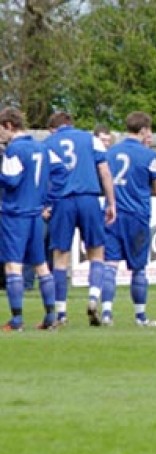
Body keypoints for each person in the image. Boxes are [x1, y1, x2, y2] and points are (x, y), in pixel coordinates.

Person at [44, 112, 117, 327]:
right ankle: (94, 297)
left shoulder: (48, 143)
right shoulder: (91, 139)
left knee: (60, 257)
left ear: (53, 128)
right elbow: (104, 172)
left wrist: (45, 204)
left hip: (62, 201)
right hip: (88, 198)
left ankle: (61, 313)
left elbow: (45, 178)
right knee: (96, 251)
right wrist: (111, 202)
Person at [0, 107, 67, 331]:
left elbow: (11, 180)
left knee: (13, 265)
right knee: (41, 265)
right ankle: (50, 316)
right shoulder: (42, 147)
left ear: (9, 125)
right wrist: (49, 200)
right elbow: (61, 171)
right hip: (36, 215)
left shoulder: (14, 150)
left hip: (15, 214)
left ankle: (16, 320)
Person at [99, 112, 156, 327]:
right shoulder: (150, 156)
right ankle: (140, 316)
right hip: (137, 215)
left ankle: (107, 312)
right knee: (138, 268)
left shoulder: (110, 153)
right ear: (144, 130)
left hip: (112, 212)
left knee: (110, 264)